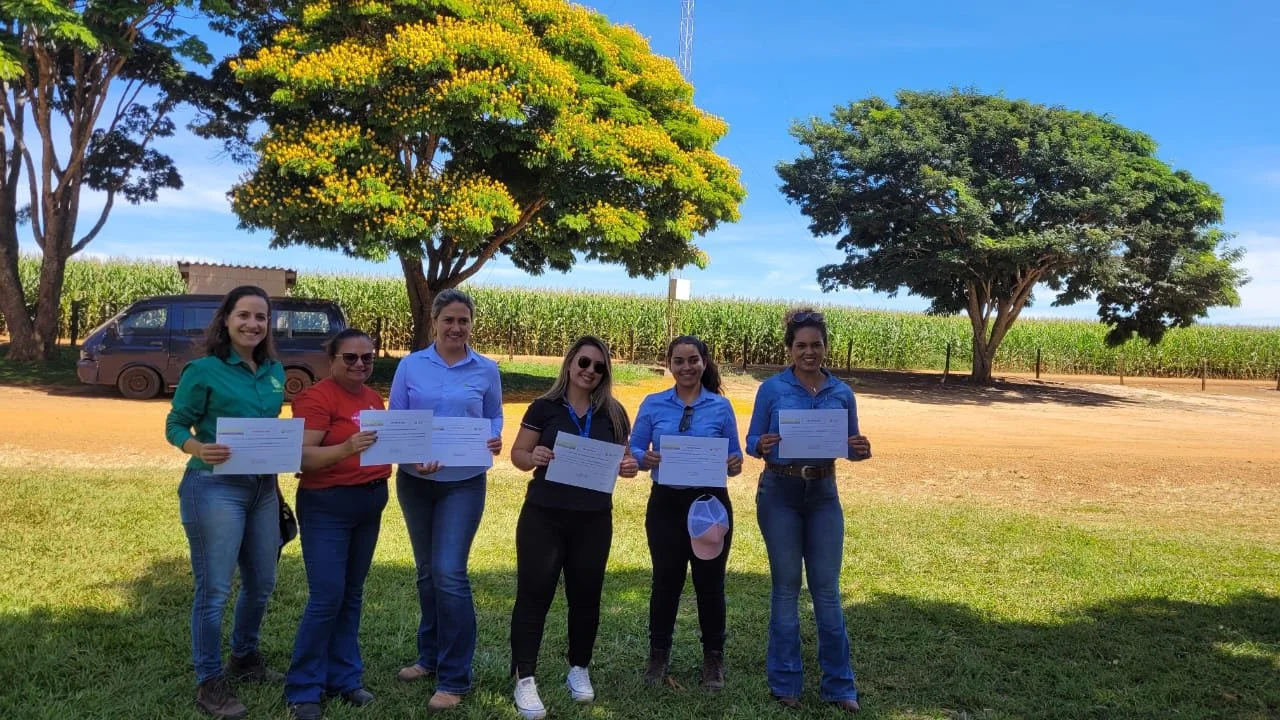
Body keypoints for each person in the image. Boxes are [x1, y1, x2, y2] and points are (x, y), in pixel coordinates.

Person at [165, 285, 286, 719]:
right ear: (227, 319)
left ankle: (245, 657)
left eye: (261, 317)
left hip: (262, 489)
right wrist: (198, 447)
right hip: (214, 487)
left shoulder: (274, 371)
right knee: (215, 590)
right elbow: (176, 424)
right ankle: (209, 681)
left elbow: (271, 430)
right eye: (244, 315)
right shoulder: (203, 370)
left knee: (262, 583)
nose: (253, 324)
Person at [745, 309, 871, 714]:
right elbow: (751, 441)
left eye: (816, 344)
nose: (809, 352)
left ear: (825, 347)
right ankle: (786, 683)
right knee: (786, 589)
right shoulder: (772, 389)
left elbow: (850, 446)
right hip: (779, 491)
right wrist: (761, 444)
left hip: (823, 494)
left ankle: (840, 685)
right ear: (790, 349)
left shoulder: (842, 393)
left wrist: (860, 450)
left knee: (827, 591)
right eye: (801, 345)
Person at [507, 336, 640, 720]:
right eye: (584, 362)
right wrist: (532, 456)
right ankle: (524, 678)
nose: (590, 371)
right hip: (544, 515)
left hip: (593, 518)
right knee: (534, 595)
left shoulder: (614, 413)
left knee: (587, 596)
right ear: (569, 364)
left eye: (599, 366)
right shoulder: (543, 407)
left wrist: (629, 467)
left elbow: (625, 460)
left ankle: (579, 667)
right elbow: (518, 454)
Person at [388, 289, 503, 712]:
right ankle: (429, 657)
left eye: (463, 320)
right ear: (434, 322)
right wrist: (412, 455)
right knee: (426, 573)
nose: (456, 327)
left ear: (472, 324)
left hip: (463, 483)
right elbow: (397, 420)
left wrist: (493, 436)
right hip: (415, 482)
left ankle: (455, 677)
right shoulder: (410, 365)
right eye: (449, 320)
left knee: (449, 572)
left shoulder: (486, 369)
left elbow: (493, 415)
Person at [283, 329, 389, 720]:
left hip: (370, 502)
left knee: (351, 594)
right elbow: (302, 457)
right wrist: (346, 448)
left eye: (367, 357)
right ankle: (303, 688)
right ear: (332, 360)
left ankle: (344, 678)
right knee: (327, 596)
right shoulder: (317, 398)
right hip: (328, 504)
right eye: (350, 357)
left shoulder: (373, 398)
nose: (360, 363)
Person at [629, 335, 743, 691]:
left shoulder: (721, 407)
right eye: (678, 361)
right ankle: (658, 656)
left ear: (704, 362)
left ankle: (714, 659)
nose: (686, 367)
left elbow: (735, 458)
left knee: (710, 584)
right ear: (669, 365)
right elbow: (634, 447)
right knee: (666, 582)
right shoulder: (653, 404)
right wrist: (644, 457)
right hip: (666, 503)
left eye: (693, 360)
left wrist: (734, 463)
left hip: (710, 505)